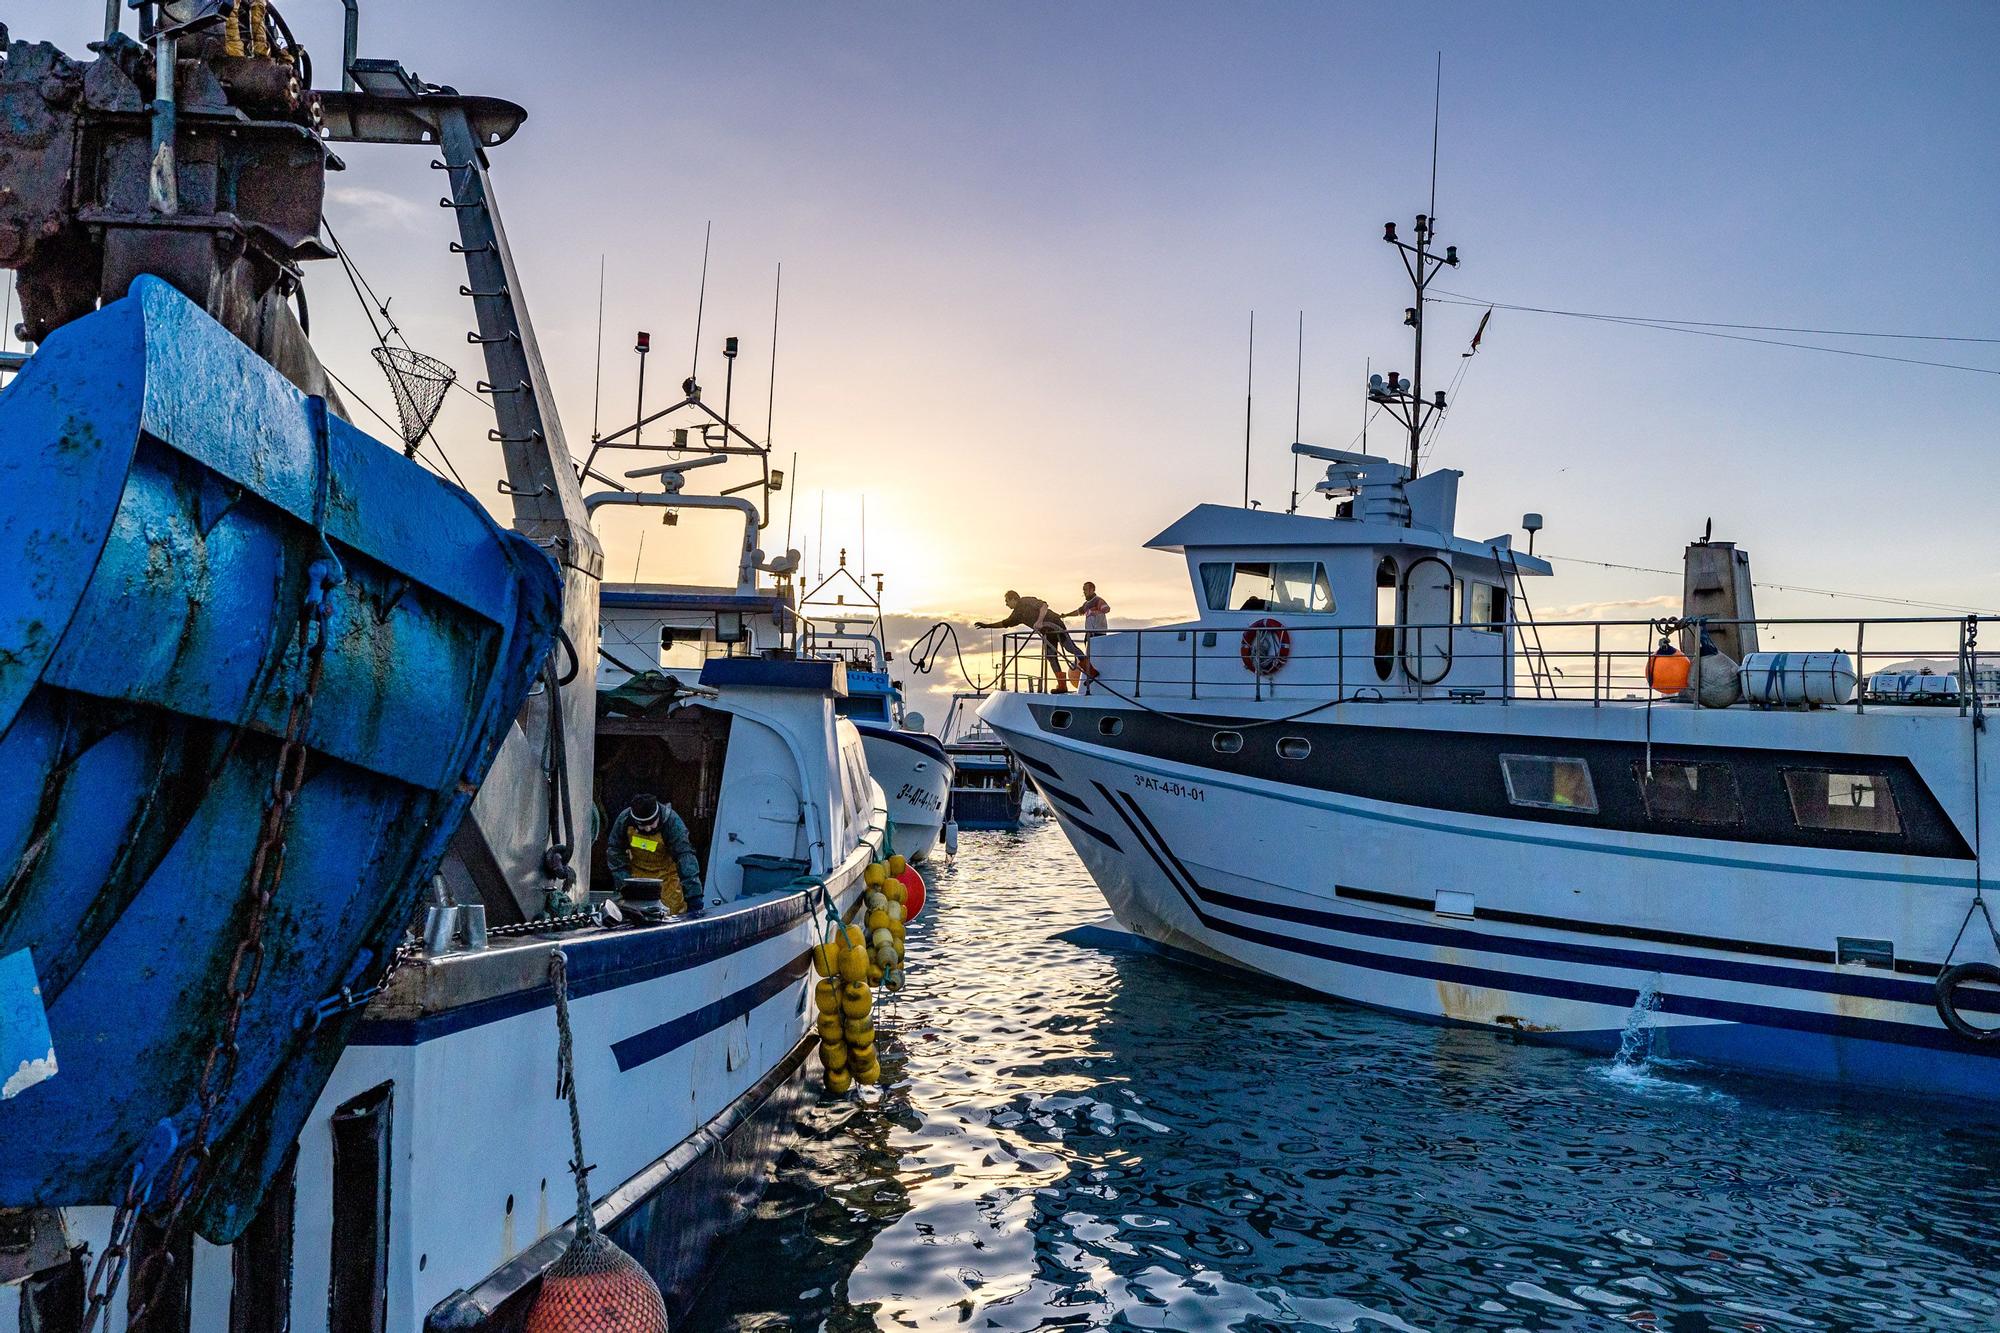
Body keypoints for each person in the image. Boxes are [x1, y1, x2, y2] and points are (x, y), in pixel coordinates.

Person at [604, 792, 703, 919]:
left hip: (667, 884)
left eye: (651, 823)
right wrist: (624, 883)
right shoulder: (624, 820)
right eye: (642, 825)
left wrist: (694, 896)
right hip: (635, 883)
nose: (648, 829)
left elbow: (685, 858)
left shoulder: (672, 823)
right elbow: (615, 851)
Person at [976, 590, 1085, 694]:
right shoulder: (1016, 615)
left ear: (1013, 598)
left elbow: (1044, 606)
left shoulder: (1026, 601)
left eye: (1007, 601)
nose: (1006, 604)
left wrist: (1039, 621)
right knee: (1051, 656)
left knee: (1070, 648)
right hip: (1047, 633)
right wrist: (986, 626)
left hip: (1055, 624)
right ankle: (1062, 685)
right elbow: (1005, 623)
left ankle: (1091, 670)